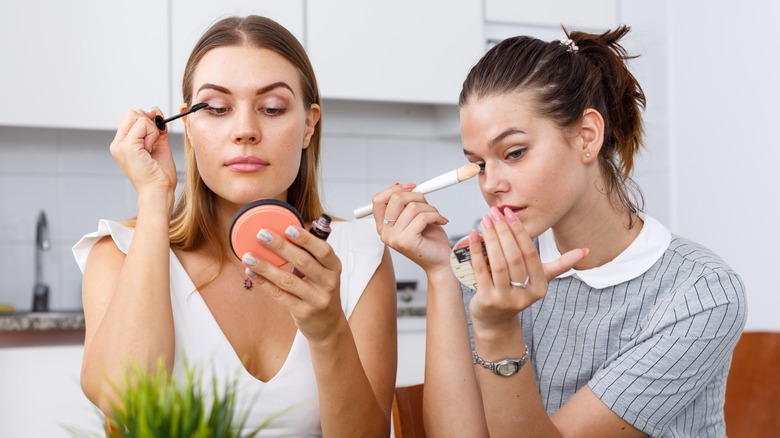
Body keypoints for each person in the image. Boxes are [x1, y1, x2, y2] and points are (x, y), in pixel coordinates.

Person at [370, 26, 746, 437]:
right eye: (478, 164)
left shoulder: (701, 293)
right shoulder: (489, 253)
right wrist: (442, 274)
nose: (491, 183)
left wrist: (499, 331)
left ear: (587, 137)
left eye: (514, 153)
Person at [72, 15, 397, 436]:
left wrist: (327, 327)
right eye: (218, 109)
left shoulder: (359, 256)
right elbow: (123, 405)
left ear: (309, 125)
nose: (245, 130)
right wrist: (154, 199)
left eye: (273, 108)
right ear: (186, 125)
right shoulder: (118, 252)